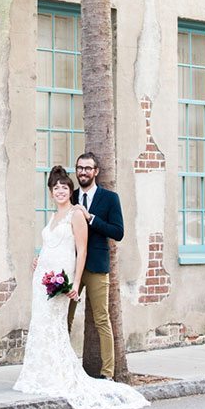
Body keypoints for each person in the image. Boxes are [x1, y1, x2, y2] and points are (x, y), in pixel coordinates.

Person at [14, 165, 148, 409]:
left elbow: (83, 248)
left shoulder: (78, 213)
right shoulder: (54, 215)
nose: (60, 191)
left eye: (64, 187)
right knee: (45, 324)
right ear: (51, 192)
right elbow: (51, 243)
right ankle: (42, 372)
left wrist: (74, 283)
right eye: (56, 188)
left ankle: (104, 374)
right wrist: (38, 259)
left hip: (73, 273)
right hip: (43, 278)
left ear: (94, 171)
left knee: (94, 319)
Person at [68, 151, 124, 381]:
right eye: (80, 168)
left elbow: (118, 232)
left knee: (102, 319)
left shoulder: (110, 198)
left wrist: (91, 218)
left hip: (97, 266)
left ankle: (107, 373)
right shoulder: (69, 196)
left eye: (88, 168)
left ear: (96, 171)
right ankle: (65, 367)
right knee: (65, 317)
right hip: (71, 267)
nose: (83, 172)